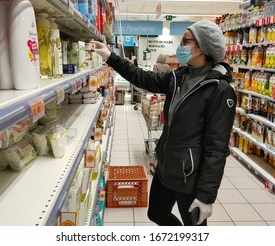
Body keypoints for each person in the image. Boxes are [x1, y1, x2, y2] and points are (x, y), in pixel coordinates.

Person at [92, 20, 236, 226]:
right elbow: (141, 77)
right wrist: (110, 57)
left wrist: (206, 196)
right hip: (166, 168)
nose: (180, 46)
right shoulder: (178, 77)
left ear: (203, 48)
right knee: (156, 214)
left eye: (185, 41)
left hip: (190, 177)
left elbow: (217, 148)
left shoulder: (220, 90)